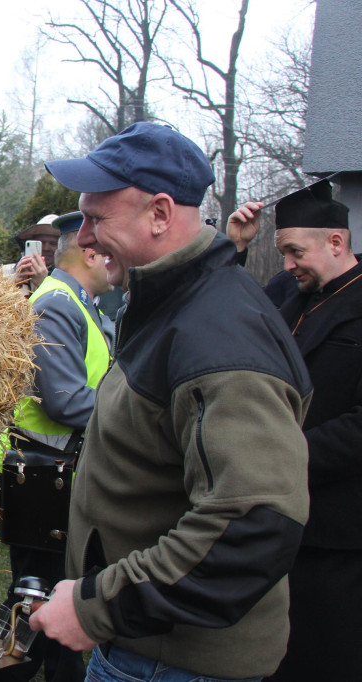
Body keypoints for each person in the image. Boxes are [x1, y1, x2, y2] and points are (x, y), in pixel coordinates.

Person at [29, 122, 312, 682]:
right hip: (145, 648)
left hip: (174, 664)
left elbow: (252, 524)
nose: (81, 238)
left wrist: (99, 606)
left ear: (160, 214)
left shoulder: (219, 336)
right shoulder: (168, 305)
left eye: (96, 218)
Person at [227, 181, 362, 682]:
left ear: (336, 242)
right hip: (281, 520)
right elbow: (234, 314)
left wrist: (283, 454)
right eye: (282, 252)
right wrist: (236, 247)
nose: (286, 265)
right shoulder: (292, 294)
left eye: (294, 252)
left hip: (338, 532)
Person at [0, 210, 115, 682]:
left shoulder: (81, 302)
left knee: (57, 600)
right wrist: (134, 423)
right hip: (43, 481)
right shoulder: (57, 303)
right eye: (108, 251)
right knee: (33, 602)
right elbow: (65, 399)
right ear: (89, 253)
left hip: (62, 476)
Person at [11, 213, 57, 291]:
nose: (46, 248)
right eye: (41, 243)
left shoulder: (70, 277)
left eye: (53, 243)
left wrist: (43, 283)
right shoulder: (7, 271)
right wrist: (12, 282)